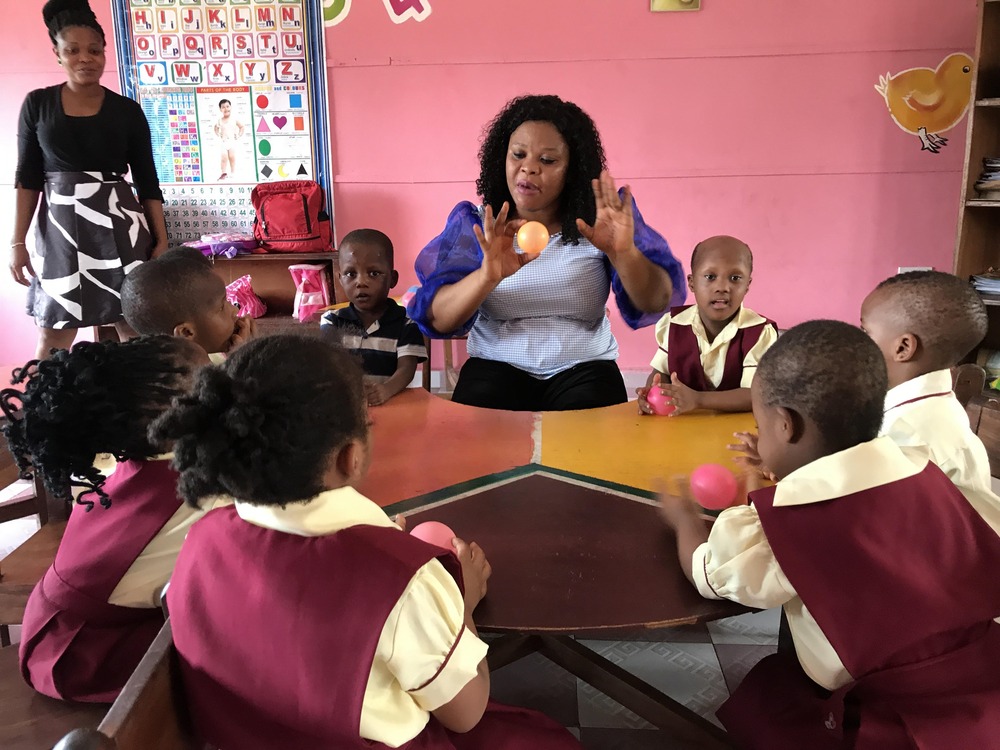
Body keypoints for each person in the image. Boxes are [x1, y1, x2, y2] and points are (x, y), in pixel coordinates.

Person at [150, 335, 581, 749]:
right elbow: (466, 714)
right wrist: (462, 603)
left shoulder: (201, 535)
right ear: (351, 457)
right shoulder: (400, 578)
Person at [660, 320, 1000, 749]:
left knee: (769, 703)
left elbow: (711, 574)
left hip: (897, 719)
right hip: (986, 681)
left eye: (762, 428)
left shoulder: (784, 524)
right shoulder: (922, 465)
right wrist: (765, 472)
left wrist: (683, 518)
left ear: (786, 425)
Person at [409, 94, 685, 411]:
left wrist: (623, 253)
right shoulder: (480, 224)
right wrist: (487, 276)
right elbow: (438, 320)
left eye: (548, 160)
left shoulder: (599, 222)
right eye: (519, 155)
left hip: (585, 368)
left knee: (590, 452)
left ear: (572, 169)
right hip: (495, 367)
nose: (529, 168)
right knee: (478, 447)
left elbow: (655, 300)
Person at [0, 336, 226, 703]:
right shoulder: (199, 496)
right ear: (181, 418)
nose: (225, 378)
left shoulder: (146, 460)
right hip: (79, 656)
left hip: (69, 620)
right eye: (213, 378)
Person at [9, 0, 168, 360]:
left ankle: (142, 408)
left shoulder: (128, 110)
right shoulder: (37, 104)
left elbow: (147, 179)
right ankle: (45, 412)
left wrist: (161, 238)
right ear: (57, 54)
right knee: (54, 333)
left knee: (134, 326)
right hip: (60, 229)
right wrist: (17, 242)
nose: (85, 58)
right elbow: (27, 177)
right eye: (73, 50)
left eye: (94, 50)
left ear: (104, 53)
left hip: (120, 224)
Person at [638, 236, 777, 415]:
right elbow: (660, 373)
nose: (722, 287)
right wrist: (651, 395)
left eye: (735, 278)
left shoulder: (759, 333)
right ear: (692, 283)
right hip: (685, 431)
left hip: (739, 433)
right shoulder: (673, 325)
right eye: (710, 277)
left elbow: (756, 395)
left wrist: (698, 399)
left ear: (747, 285)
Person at [321, 229, 427, 405]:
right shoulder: (332, 320)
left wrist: (385, 390)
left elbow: (407, 368)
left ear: (392, 279)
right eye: (351, 274)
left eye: (374, 273)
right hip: (345, 405)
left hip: (390, 402)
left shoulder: (406, 323)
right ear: (340, 279)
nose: (361, 282)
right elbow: (331, 364)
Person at [120, 246, 255, 357]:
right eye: (221, 307)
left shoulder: (205, 354)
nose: (235, 310)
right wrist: (245, 358)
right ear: (186, 333)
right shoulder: (185, 382)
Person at [213, 98, 245, 181]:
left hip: (232, 142)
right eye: (223, 107)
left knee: (232, 157)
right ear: (220, 109)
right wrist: (217, 133)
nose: (226, 108)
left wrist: (239, 135)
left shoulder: (234, 119)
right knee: (223, 158)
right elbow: (215, 127)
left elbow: (242, 127)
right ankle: (223, 173)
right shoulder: (219, 120)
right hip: (224, 142)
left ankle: (233, 173)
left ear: (230, 107)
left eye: (227, 106)